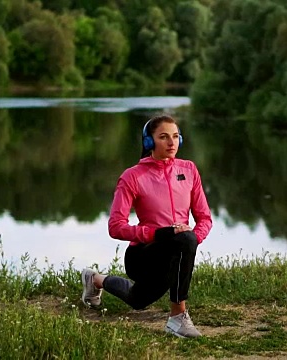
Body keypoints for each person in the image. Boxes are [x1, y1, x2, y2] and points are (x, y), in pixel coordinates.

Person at [80, 114, 213, 338]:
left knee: (137, 300)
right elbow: (116, 226)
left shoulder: (189, 170)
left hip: (176, 253)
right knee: (184, 240)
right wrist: (158, 233)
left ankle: (95, 279)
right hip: (142, 256)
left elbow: (205, 218)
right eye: (163, 137)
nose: (172, 143)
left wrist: (192, 239)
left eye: (175, 137)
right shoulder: (132, 177)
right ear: (149, 142)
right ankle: (177, 318)